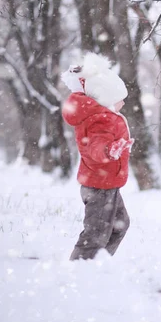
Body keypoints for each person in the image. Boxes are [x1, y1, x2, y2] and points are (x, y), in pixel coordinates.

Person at [61, 52, 134, 260]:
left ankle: (98, 263)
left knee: (120, 225)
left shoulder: (105, 116)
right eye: (120, 100)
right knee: (95, 235)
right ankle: (81, 267)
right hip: (99, 187)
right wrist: (108, 150)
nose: (123, 103)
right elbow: (95, 144)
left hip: (105, 184)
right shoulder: (100, 119)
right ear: (106, 98)